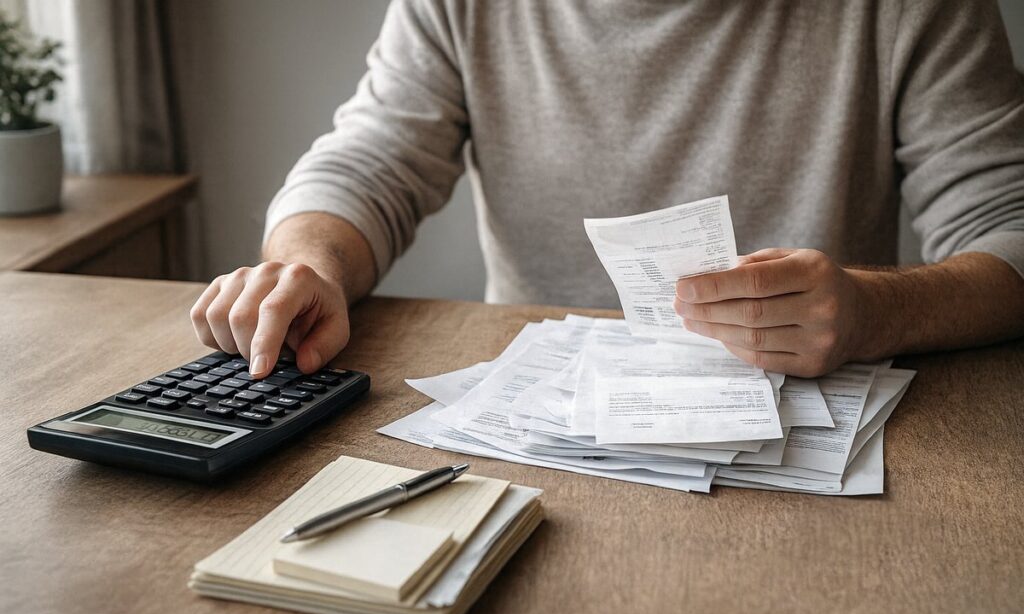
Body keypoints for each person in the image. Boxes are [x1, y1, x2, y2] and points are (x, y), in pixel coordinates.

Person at [191, 1, 1024, 379]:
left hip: (819, 433)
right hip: (536, 429)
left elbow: (1011, 232)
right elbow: (366, 161)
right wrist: (311, 265)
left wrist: (874, 312)